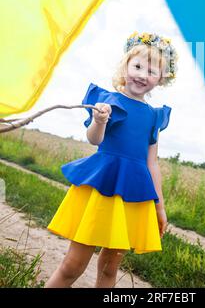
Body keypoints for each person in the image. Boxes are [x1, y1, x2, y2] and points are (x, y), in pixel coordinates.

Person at [45, 31, 178, 288]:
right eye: (137, 66)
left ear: (161, 79)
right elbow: (95, 140)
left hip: (132, 196)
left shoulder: (154, 117)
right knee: (73, 265)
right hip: (101, 189)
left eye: (151, 71)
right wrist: (99, 121)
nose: (142, 74)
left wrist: (159, 207)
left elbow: (152, 164)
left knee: (109, 270)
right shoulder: (108, 102)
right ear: (125, 66)